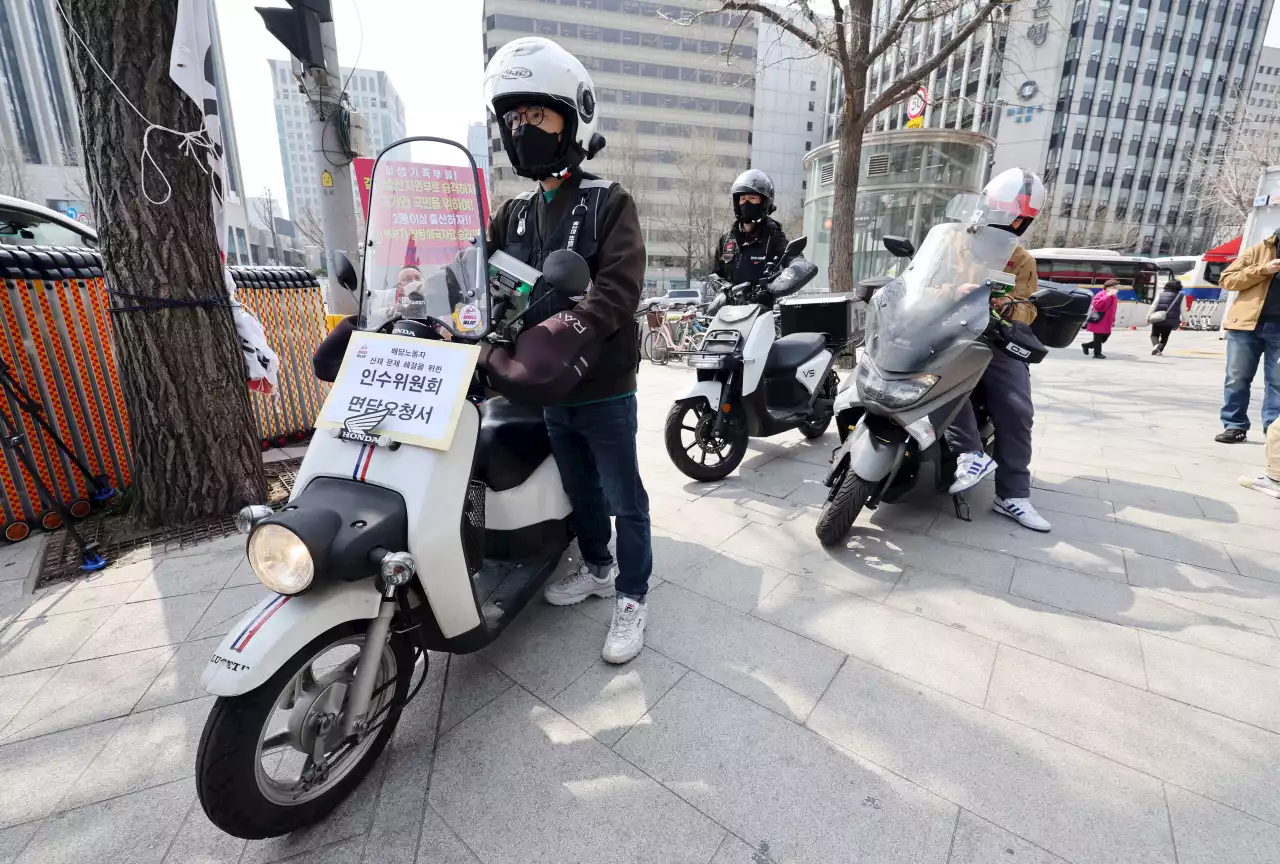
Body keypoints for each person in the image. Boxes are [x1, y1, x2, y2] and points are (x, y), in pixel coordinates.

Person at [477, 36, 652, 664]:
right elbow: (485, 278)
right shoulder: (514, 213)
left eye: (538, 115)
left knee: (622, 492)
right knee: (580, 489)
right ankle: (599, 567)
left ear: (573, 118)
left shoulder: (610, 202)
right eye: (515, 118)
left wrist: (573, 328)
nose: (525, 129)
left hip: (601, 384)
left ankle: (633, 594)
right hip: (540, 383)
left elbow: (621, 285)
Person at [944, 168, 1052, 533]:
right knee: (936, 380)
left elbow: (1029, 308)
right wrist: (949, 293)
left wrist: (1006, 306)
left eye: (1020, 218)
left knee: (1017, 409)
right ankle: (969, 453)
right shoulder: (953, 242)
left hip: (995, 339)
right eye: (1005, 212)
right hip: (945, 330)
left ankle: (1013, 495)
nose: (1010, 223)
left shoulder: (1022, 260)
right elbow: (921, 281)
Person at [1214, 230, 1280, 443]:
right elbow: (1226, 279)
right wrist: (1263, 270)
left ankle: (1273, 431)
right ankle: (1234, 425)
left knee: (1278, 381)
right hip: (1246, 326)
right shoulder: (1260, 250)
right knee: (1236, 378)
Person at [713, 170, 795, 291]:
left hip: (762, 308)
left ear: (764, 202)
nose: (746, 202)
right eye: (742, 198)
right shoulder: (726, 240)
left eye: (752, 198)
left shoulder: (774, 237)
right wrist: (726, 290)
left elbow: (793, 260)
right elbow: (715, 275)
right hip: (729, 308)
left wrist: (773, 289)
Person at [1081, 280, 1119, 358]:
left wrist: (1113, 319)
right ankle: (1097, 353)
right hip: (1099, 319)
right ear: (1107, 287)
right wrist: (1106, 296)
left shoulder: (1114, 296)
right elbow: (1095, 304)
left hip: (1108, 320)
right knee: (1098, 336)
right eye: (1113, 287)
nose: (1115, 289)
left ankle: (1087, 345)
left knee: (1105, 336)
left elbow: (1114, 309)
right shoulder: (1100, 294)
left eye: (1116, 287)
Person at [1149, 278, 1182, 355]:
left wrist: (1148, 316)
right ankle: (1159, 350)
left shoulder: (1160, 294)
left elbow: (1153, 306)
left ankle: (1156, 346)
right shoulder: (1181, 296)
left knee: (1154, 335)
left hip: (1158, 318)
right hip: (1171, 320)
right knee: (1165, 337)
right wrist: (1185, 319)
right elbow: (1183, 309)